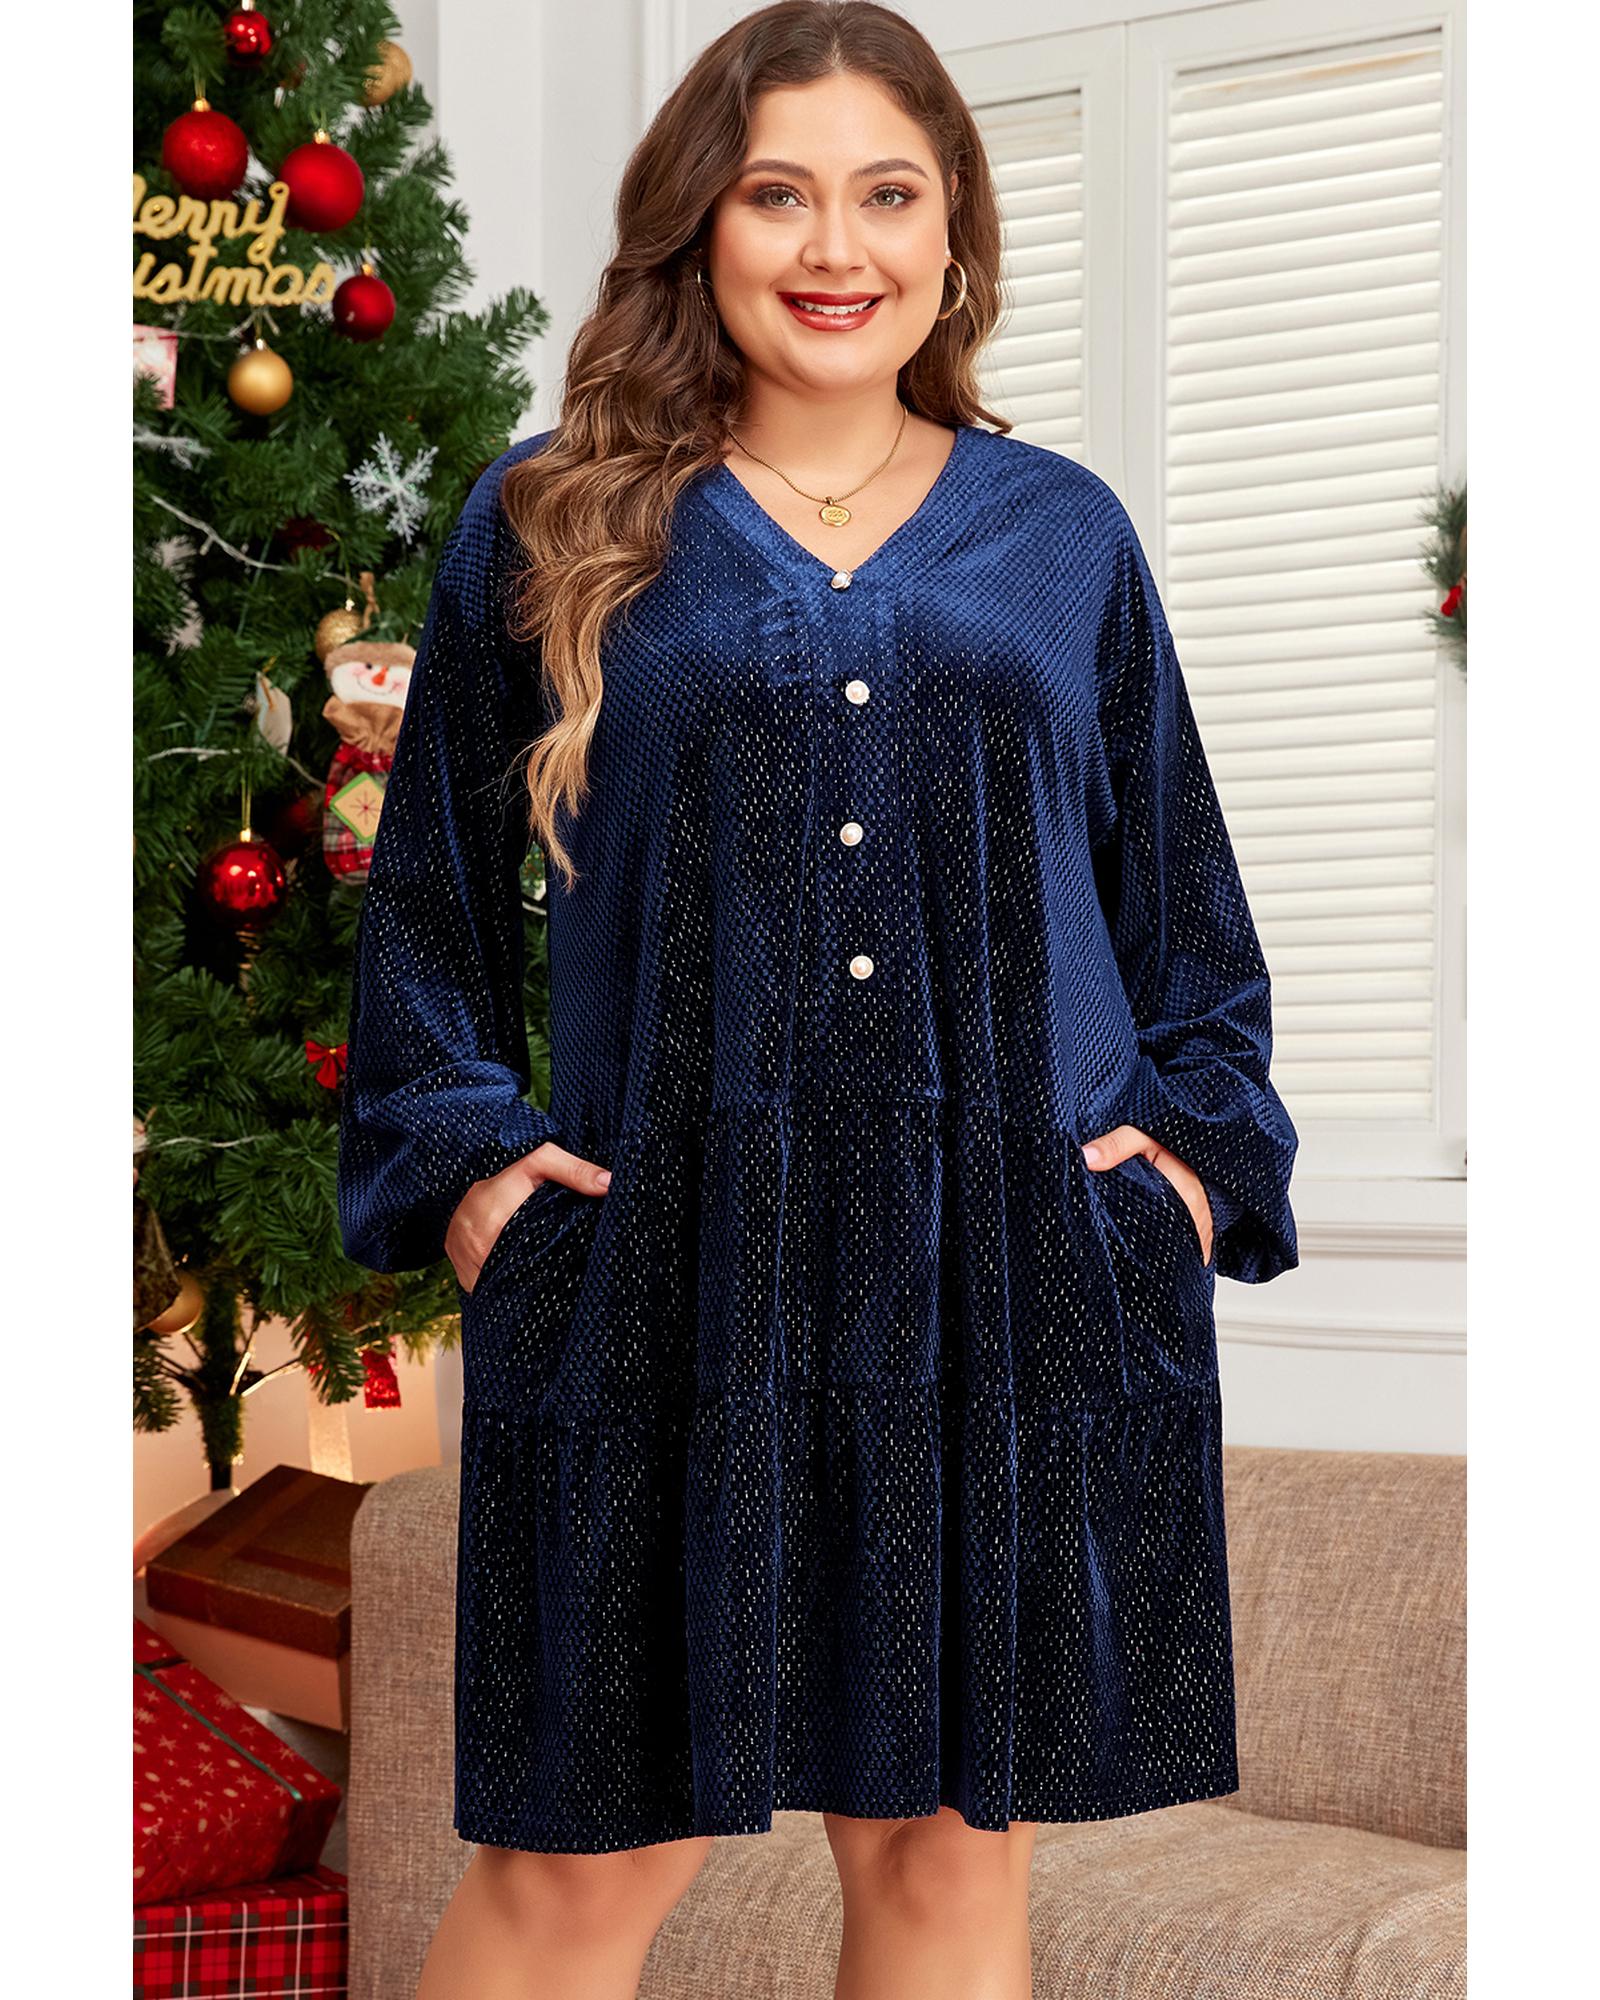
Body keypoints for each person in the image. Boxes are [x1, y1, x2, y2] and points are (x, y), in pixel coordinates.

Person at [337, 4, 1299, 1995]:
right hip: (660, 1272)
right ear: (701, 226)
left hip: (1000, 1278)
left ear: (953, 236)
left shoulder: (1063, 536)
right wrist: (469, 1165)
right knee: (576, 1869)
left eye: (887, 194)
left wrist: (1188, 1177)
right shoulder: (550, 517)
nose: (834, 245)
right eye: (778, 194)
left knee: (945, 1864)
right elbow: (428, 898)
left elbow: (1183, 915)